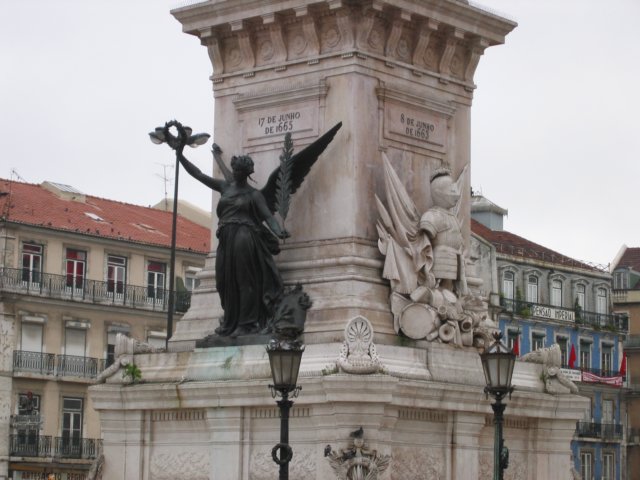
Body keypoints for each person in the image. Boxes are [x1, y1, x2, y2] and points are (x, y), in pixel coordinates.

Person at [177, 149, 289, 337]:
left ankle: (246, 323)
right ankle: (231, 321)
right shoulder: (225, 187)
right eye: (234, 169)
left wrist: (279, 231)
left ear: (246, 173)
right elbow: (198, 174)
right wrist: (180, 155)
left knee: (244, 280)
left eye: (238, 170)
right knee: (223, 281)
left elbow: (268, 217)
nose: (235, 173)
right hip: (226, 238)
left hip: (244, 236)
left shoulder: (254, 195)